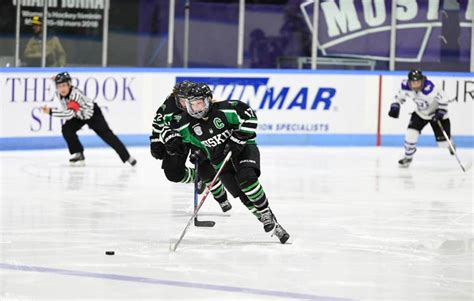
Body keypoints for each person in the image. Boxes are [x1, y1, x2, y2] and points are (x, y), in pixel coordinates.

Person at [170, 82, 290, 244]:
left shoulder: (227, 109)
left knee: (246, 178)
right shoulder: (187, 123)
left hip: (243, 150)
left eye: (199, 103)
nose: (196, 108)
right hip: (219, 161)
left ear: (208, 100)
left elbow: (250, 116)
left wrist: (238, 138)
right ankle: (271, 224)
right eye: (192, 105)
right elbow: (189, 142)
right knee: (242, 195)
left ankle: (265, 212)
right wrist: (195, 153)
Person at [41, 72, 136, 166]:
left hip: (92, 115)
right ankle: (78, 153)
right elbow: (70, 111)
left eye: (64, 85)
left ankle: (127, 157)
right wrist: (56, 79)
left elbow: (69, 114)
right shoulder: (58, 93)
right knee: (67, 129)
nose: (62, 89)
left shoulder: (75, 96)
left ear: (69, 85)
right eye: (59, 86)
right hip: (78, 116)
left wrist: (50, 111)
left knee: (107, 135)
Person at [388, 69, 454, 167]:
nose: (415, 85)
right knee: (410, 134)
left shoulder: (431, 87)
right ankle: (408, 157)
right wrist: (395, 106)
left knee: (443, 144)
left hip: (437, 115)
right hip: (420, 113)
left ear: (422, 80)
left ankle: (450, 143)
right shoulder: (405, 86)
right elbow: (398, 98)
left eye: (418, 82)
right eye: (413, 82)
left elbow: (444, 101)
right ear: (409, 81)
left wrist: (439, 114)